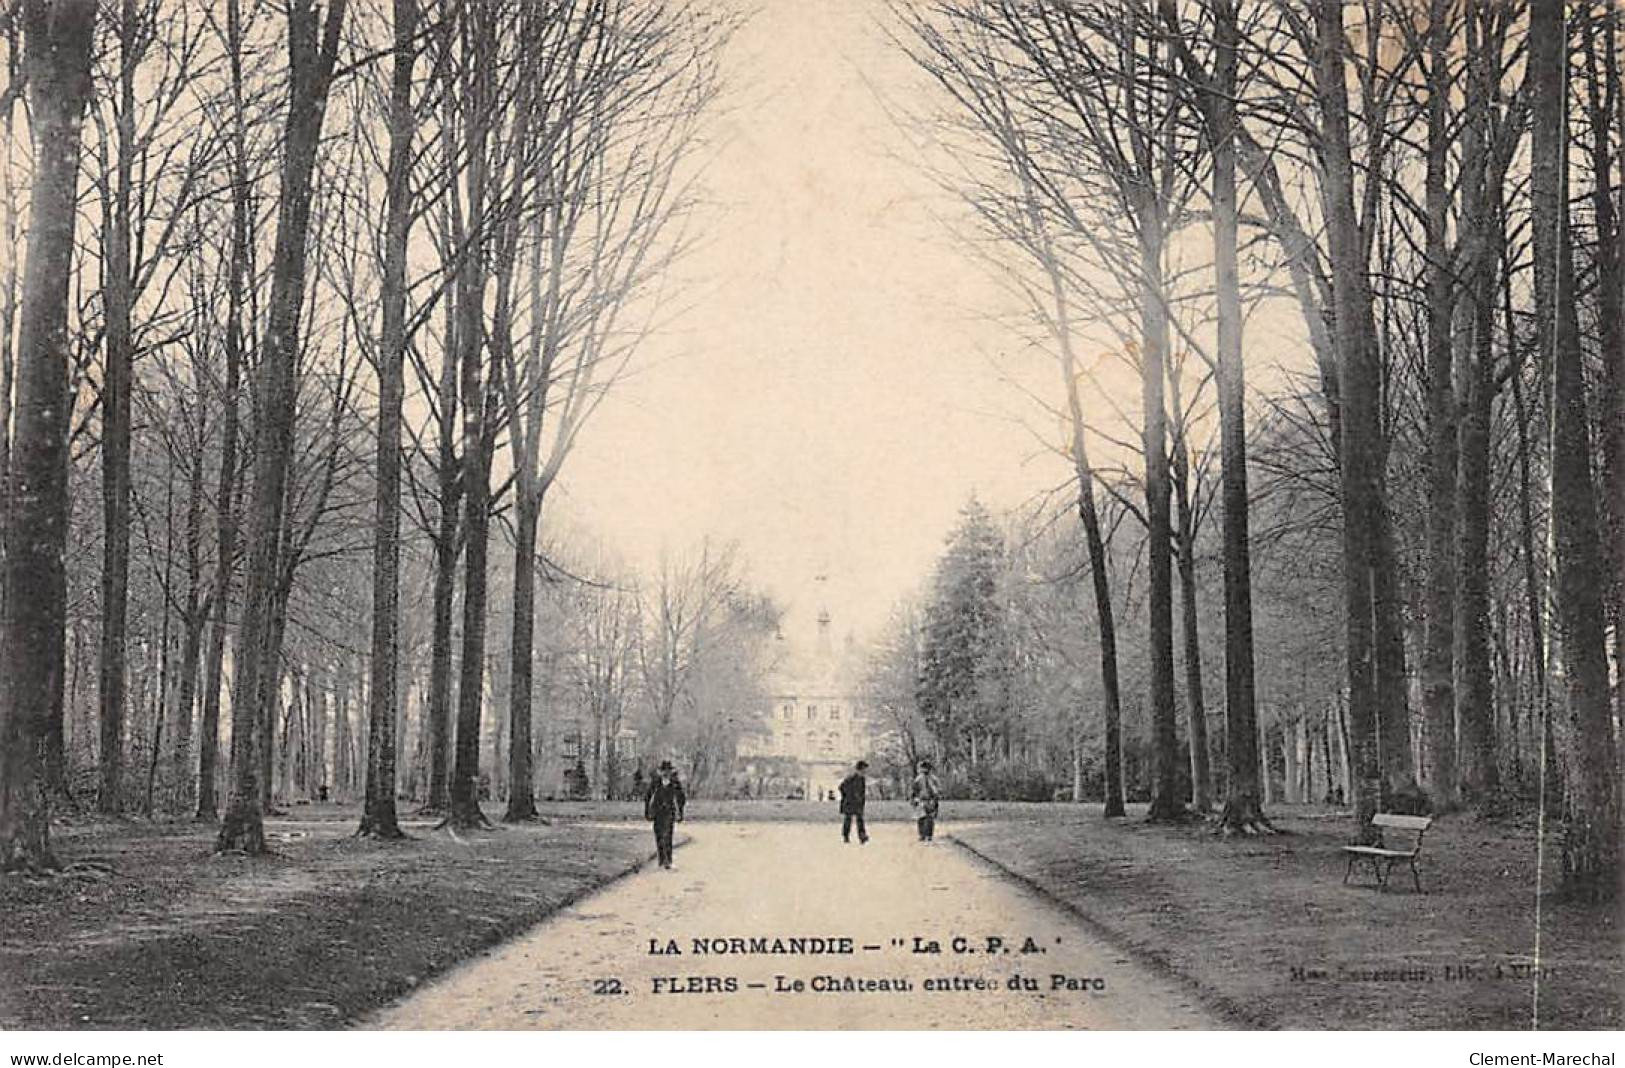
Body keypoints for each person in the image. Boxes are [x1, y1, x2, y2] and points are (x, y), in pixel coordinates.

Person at [644, 760, 686, 870]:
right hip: (658, 812)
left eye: (668, 771)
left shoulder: (675, 783)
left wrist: (680, 812)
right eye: (664, 771)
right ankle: (661, 859)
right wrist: (647, 811)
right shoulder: (656, 782)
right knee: (658, 835)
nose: (666, 773)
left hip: (669, 811)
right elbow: (648, 796)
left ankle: (668, 860)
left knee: (667, 835)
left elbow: (681, 797)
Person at [838, 760, 870, 844]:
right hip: (849, 802)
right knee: (848, 819)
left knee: (860, 819)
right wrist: (848, 796)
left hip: (858, 803)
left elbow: (862, 792)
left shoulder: (862, 779)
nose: (865, 771)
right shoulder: (851, 778)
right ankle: (846, 836)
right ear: (860, 769)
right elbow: (841, 787)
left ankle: (862, 836)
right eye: (864, 769)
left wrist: (861, 800)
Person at [910, 759, 941, 843]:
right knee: (921, 817)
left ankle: (929, 835)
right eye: (923, 768)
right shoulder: (918, 779)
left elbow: (937, 790)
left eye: (926, 768)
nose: (924, 770)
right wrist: (914, 799)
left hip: (930, 799)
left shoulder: (933, 779)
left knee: (930, 818)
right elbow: (914, 790)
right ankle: (922, 834)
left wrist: (935, 799)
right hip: (921, 800)